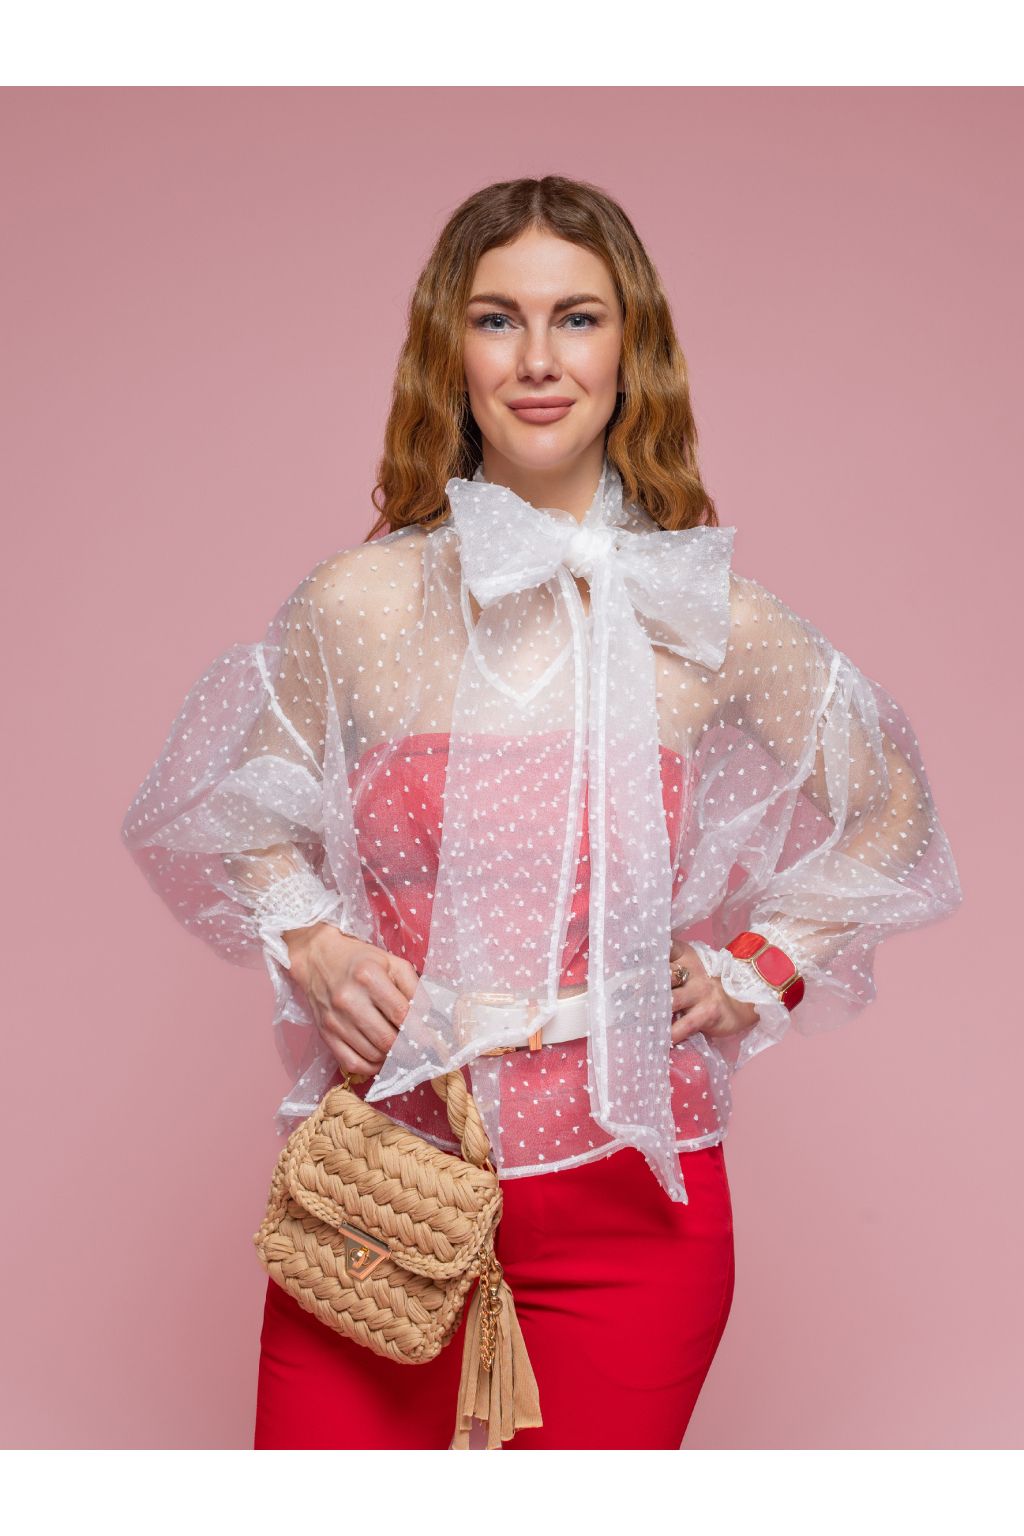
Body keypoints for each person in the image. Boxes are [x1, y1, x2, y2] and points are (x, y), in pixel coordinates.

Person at [120, 174, 963, 1451]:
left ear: (631, 351)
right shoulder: (358, 603)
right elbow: (232, 805)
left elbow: (893, 806)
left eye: (577, 317)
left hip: (634, 1216)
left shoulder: (705, 616)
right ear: (447, 351)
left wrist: (758, 968)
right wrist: (315, 946)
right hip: (382, 1193)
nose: (536, 359)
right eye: (495, 319)